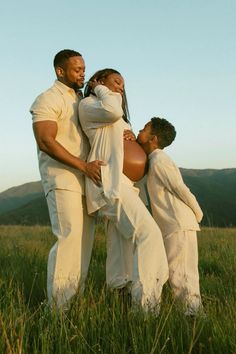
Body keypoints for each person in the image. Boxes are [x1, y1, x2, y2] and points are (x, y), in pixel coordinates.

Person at [79, 69, 169, 312]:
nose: (121, 87)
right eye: (116, 82)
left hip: (123, 184)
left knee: (121, 246)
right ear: (100, 82)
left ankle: (121, 299)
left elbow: (118, 136)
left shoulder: (114, 114)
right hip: (110, 183)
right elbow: (113, 110)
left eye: (123, 84)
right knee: (148, 235)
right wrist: (99, 89)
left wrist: (130, 136)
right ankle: (146, 308)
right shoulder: (90, 104)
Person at [30, 49, 105, 309]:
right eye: (77, 69)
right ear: (60, 71)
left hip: (87, 180)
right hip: (62, 178)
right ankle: (58, 311)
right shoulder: (47, 99)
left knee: (84, 245)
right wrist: (83, 166)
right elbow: (45, 141)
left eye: (84, 68)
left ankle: (75, 304)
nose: (82, 73)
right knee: (69, 238)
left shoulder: (82, 99)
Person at [137, 117, 203, 315]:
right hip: (171, 225)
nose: (140, 130)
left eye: (144, 128)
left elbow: (180, 188)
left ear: (153, 138)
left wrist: (197, 213)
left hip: (179, 224)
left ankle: (192, 317)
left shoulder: (159, 160)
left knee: (182, 274)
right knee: (175, 271)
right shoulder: (152, 159)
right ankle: (188, 313)